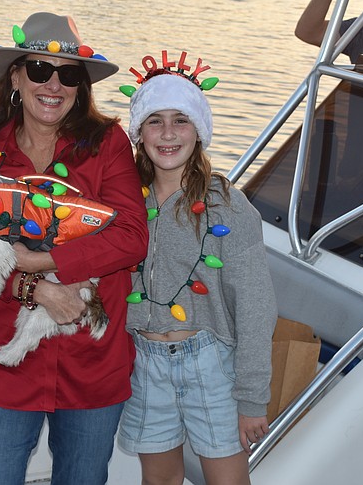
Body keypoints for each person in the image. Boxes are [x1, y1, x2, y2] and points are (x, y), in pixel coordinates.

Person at [0, 12, 149, 484]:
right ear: (15, 76)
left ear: (81, 86)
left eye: (69, 74)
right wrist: (37, 290)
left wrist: (41, 260)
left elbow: (133, 237)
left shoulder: (109, 144)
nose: (53, 84)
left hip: (93, 361)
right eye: (39, 69)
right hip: (8, 362)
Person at [115, 53, 278, 485]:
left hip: (210, 362)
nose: (167, 134)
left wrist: (251, 398)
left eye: (181, 120)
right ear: (139, 133)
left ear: (199, 131)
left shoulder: (228, 204)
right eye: (155, 121)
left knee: (227, 481)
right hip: (145, 362)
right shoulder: (125, 201)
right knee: (159, 480)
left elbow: (257, 306)